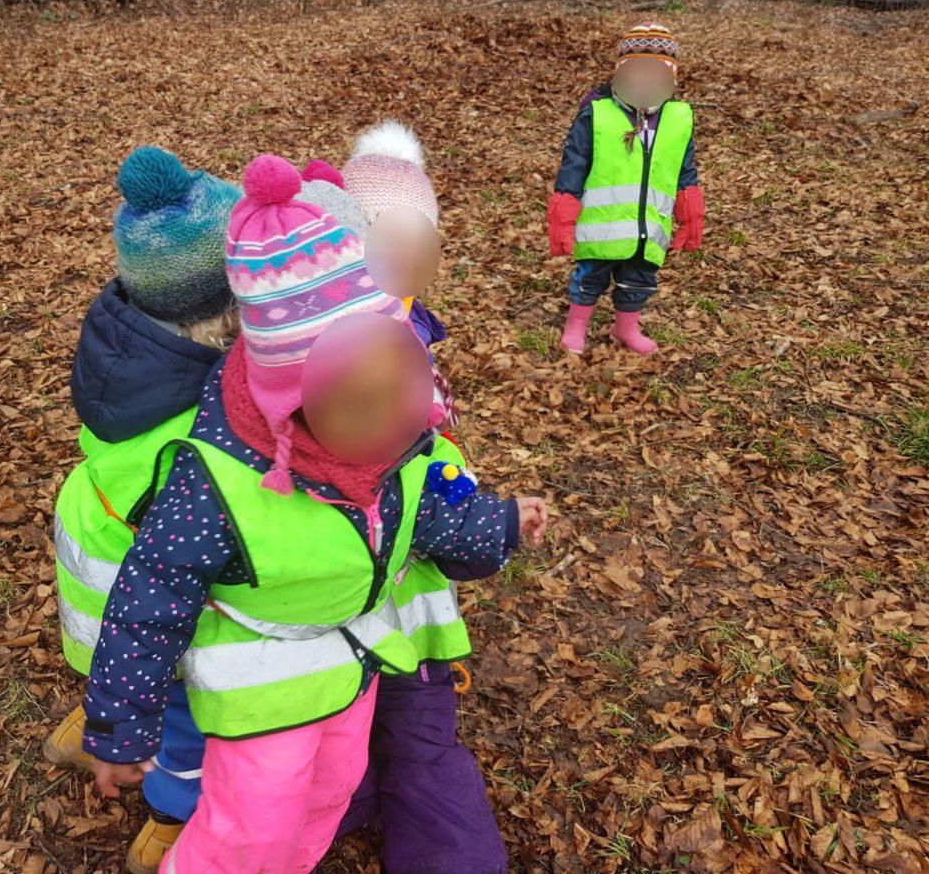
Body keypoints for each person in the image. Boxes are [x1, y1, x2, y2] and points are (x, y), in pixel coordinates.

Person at [81, 154, 549, 873]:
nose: (399, 423)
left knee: (327, 796)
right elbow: (149, 602)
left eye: (403, 387)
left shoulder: (388, 437)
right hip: (261, 687)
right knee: (253, 826)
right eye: (367, 406)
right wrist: (121, 728)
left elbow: (427, 515)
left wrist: (501, 526)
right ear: (291, 408)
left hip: (349, 669)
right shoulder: (211, 483)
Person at [41, 145, 241, 874]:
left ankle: (95, 711)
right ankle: (169, 814)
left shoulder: (121, 334)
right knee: (187, 712)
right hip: (148, 583)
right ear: (224, 308)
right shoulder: (202, 409)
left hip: (95, 549)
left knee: (115, 659)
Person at [337, 121, 510, 873]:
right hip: (371, 588)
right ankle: (361, 802)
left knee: (388, 728)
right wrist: (486, 521)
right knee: (391, 730)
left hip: (375, 592)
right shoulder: (354, 361)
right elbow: (418, 490)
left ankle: (362, 801)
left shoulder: (406, 333)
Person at [547, 22, 705, 356]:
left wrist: (689, 203)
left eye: (656, 73)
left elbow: (684, 165)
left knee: (639, 280)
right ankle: (575, 328)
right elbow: (575, 160)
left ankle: (625, 328)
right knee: (590, 277)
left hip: (649, 222)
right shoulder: (598, 113)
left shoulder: (678, 119)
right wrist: (565, 202)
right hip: (602, 222)